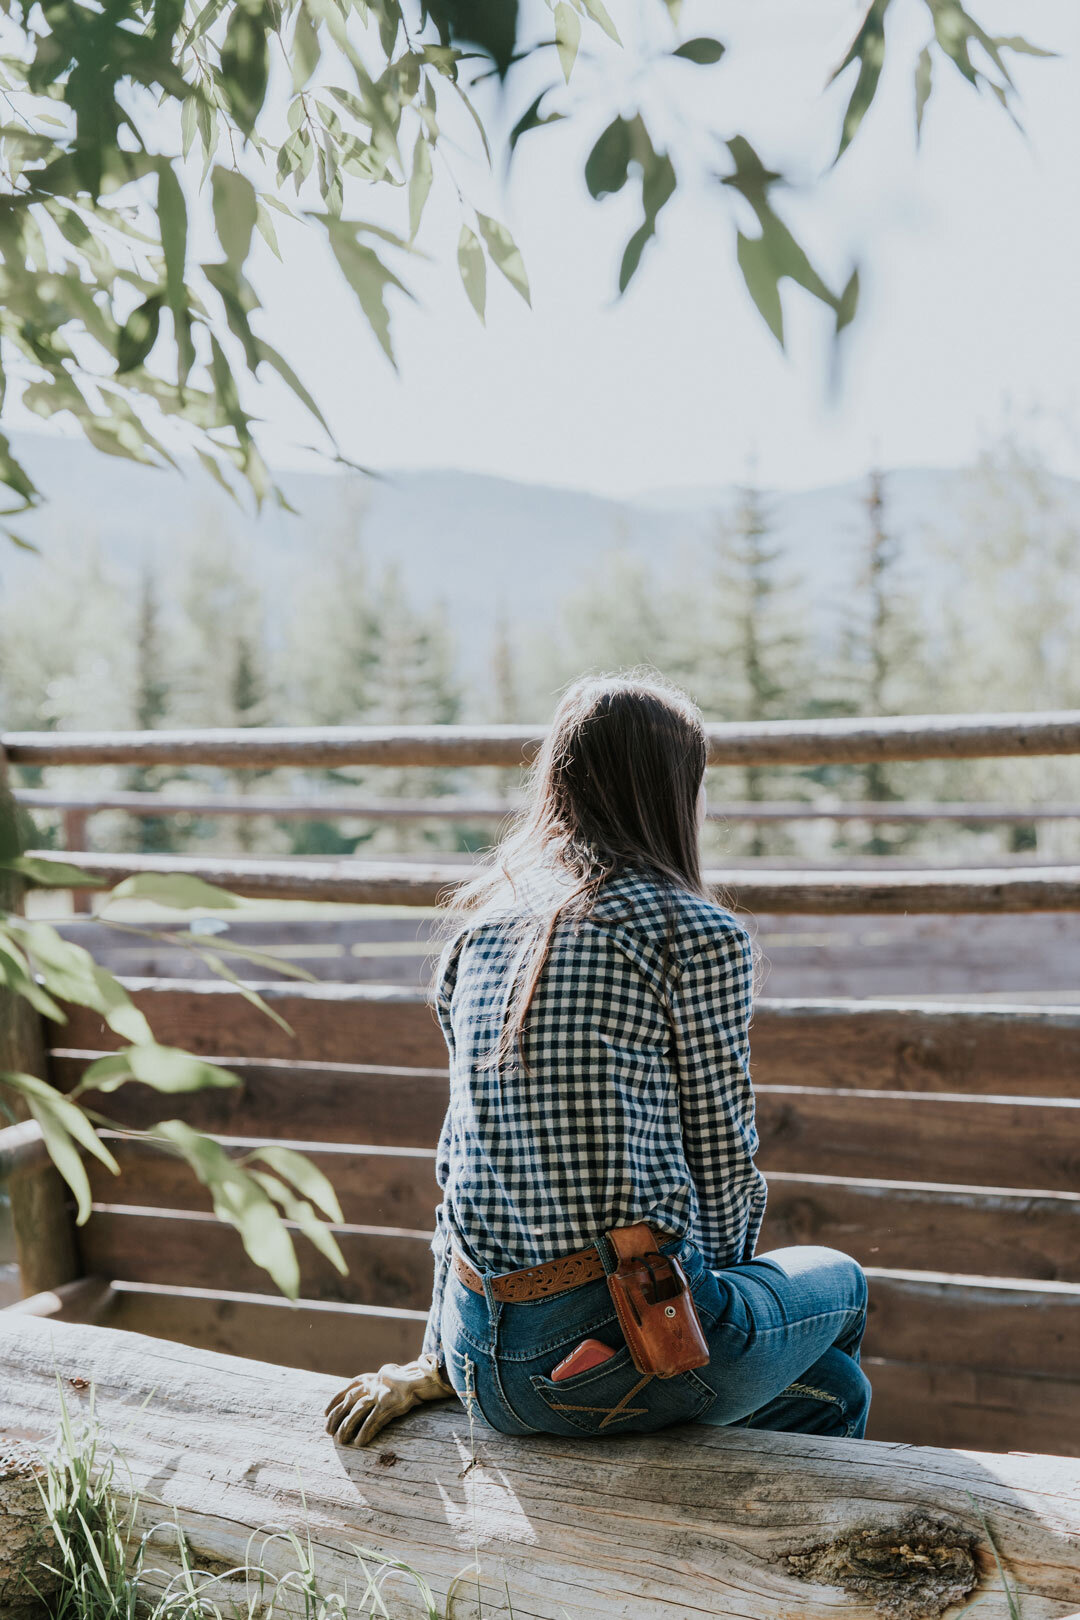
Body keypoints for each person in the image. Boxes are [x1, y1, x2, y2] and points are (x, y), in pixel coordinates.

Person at [324, 674, 870, 1447]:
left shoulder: (481, 935)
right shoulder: (694, 933)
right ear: (673, 791)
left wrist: (433, 1361)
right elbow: (721, 1157)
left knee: (832, 1390)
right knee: (842, 1284)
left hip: (489, 1365)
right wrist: (713, 1308)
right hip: (627, 1351)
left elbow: (458, 1164)